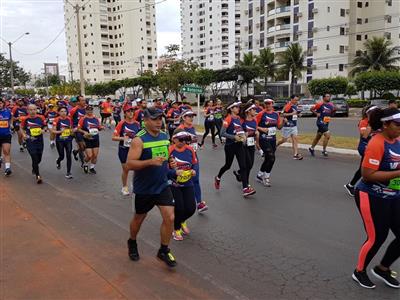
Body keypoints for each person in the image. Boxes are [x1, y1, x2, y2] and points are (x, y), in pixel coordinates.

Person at [352, 107, 400, 289]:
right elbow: (367, 175)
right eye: (397, 124)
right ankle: (359, 271)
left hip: (393, 195)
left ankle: (383, 268)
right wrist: (397, 173)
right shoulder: (376, 143)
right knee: (377, 236)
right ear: (385, 124)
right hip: (370, 195)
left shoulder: (397, 140)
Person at [126, 107, 177, 268]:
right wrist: (150, 162)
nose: (158, 122)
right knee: (139, 218)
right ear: (145, 120)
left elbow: (167, 156)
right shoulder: (138, 140)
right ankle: (132, 242)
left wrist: (171, 163)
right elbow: (129, 164)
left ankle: (163, 250)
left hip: (162, 185)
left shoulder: (164, 135)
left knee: (169, 217)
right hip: (144, 188)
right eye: (154, 119)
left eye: (160, 118)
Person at [214, 102, 256, 197]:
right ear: (231, 109)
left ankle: (245, 188)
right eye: (236, 107)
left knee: (243, 166)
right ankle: (218, 177)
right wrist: (234, 137)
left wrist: (244, 135)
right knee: (227, 165)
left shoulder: (239, 119)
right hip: (230, 146)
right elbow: (222, 133)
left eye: (238, 107)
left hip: (239, 146)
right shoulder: (227, 119)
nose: (238, 109)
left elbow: (241, 130)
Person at [168, 130, 197, 241]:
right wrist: (174, 172)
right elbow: (164, 169)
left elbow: (195, 164)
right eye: (181, 139)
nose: (183, 142)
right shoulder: (169, 150)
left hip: (188, 182)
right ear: (174, 139)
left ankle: (181, 220)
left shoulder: (190, 149)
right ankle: (176, 229)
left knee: (191, 209)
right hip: (174, 184)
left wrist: (194, 171)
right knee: (179, 208)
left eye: (186, 139)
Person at [178, 110, 209, 212]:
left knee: (195, 179)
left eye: (192, 116)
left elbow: (193, 142)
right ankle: (179, 201)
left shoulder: (192, 128)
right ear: (183, 118)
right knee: (182, 181)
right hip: (183, 159)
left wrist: (198, 145)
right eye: (189, 116)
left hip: (194, 157)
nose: (191, 118)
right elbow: (176, 145)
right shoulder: (180, 129)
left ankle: (199, 203)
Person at [344, 105, 378, 196]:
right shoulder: (364, 122)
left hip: (375, 148)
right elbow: (364, 135)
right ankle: (352, 185)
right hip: (365, 147)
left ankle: (352, 185)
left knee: (368, 168)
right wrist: (371, 123)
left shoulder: (379, 122)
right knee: (366, 169)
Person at [112, 105, 141, 195]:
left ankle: (134, 184)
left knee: (136, 168)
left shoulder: (137, 124)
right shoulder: (121, 123)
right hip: (123, 149)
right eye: (128, 111)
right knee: (126, 169)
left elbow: (140, 136)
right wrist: (123, 138)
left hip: (134, 150)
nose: (131, 113)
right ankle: (124, 187)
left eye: (132, 111)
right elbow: (113, 137)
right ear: (125, 113)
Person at [256, 98, 283, 187]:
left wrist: (283, 121)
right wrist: (262, 129)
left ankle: (259, 175)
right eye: (266, 103)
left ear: (272, 104)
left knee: (268, 159)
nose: (267, 105)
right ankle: (266, 177)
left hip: (272, 139)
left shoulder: (276, 114)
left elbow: (279, 127)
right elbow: (254, 125)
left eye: (269, 103)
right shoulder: (261, 114)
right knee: (272, 158)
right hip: (263, 139)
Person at [233, 103, 259, 184]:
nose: (255, 111)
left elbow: (255, 130)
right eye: (253, 109)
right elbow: (237, 131)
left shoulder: (254, 120)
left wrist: (257, 133)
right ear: (248, 111)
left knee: (250, 165)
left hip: (251, 144)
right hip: (243, 145)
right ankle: (246, 183)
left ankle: (240, 174)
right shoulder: (242, 121)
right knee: (247, 164)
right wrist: (244, 134)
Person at [20, 104, 47, 184]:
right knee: (34, 157)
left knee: (39, 158)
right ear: (27, 111)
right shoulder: (25, 119)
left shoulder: (41, 118)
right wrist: (24, 135)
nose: (33, 111)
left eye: (34, 109)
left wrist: (43, 130)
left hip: (39, 141)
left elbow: (45, 127)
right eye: (31, 110)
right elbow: (21, 128)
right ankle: (38, 175)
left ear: (36, 110)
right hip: (30, 141)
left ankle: (34, 167)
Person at [78, 105, 103, 174]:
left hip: (95, 138)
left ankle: (92, 167)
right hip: (87, 139)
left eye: (91, 110)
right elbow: (78, 129)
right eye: (88, 110)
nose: (90, 111)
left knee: (95, 155)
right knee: (89, 155)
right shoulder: (83, 119)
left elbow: (99, 127)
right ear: (86, 111)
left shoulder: (96, 118)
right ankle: (85, 163)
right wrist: (84, 132)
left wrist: (101, 128)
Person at [277, 95, 303, 160]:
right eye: (295, 100)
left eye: (297, 100)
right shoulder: (287, 106)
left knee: (295, 139)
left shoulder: (295, 106)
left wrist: (298, 114)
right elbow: (281, 114)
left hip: (294, 125)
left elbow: (295, 113)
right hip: (287, 126)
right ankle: (275, 145)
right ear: (291, 99)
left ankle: (295, 154)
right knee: (284, 140)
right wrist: (292, 114)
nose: (296, 101)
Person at [52, 106, 74, 179]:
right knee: (62, 156)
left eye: (65, 111)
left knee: (69, 155)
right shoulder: (56, 120)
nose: (63, 113)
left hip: (68, 140)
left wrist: (72, 132)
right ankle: (58, 161)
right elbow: (53, 131)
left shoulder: (69, 119)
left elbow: (71, 129)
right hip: (60, 140)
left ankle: (68, 172)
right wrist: (60, 131)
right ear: (58, 112)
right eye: (61, 111)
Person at [70, 96, 86, 166]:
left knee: (85, 146)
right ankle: (83, 162)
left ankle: (76, 151)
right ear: (78, 102)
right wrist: (71, 129)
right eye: (82, 100)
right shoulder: (74, 110)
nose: (84, 102)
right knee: (82, 146)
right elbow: (69, 120)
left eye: (84, 100)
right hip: (77, 129)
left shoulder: (87, 109)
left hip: (85, 130)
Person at [0, 99, 13, 176]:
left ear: (3, 104)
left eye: (0, 103)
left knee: (6, 151)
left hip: (6, 134)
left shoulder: (7, 111)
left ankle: (7, 168)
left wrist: (11, 124)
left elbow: (11, 118)